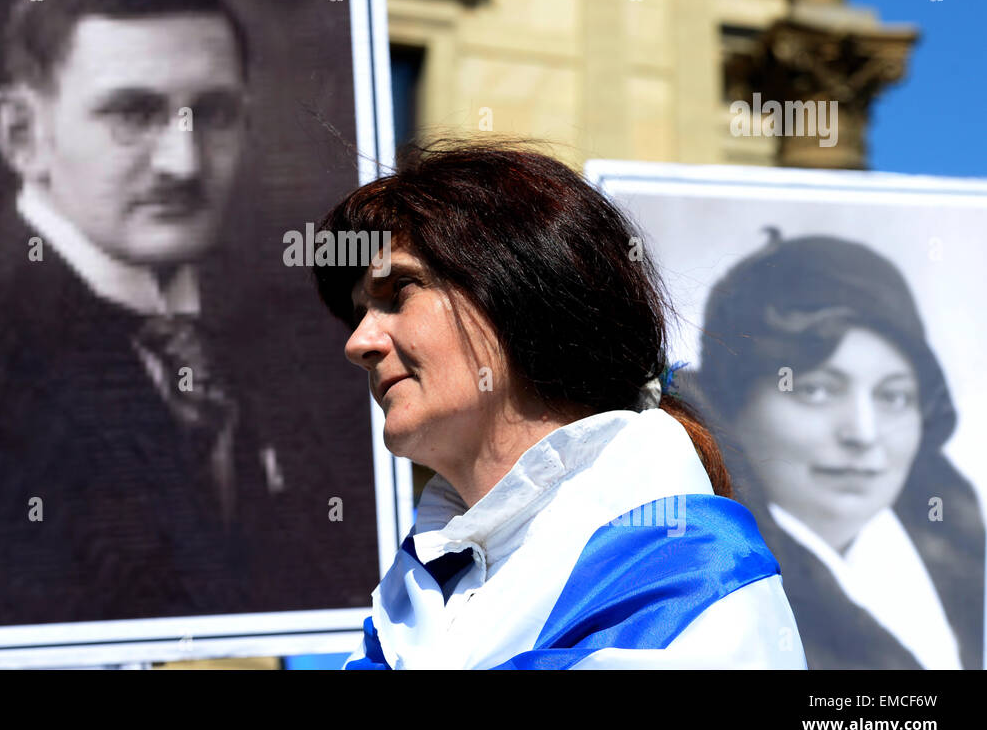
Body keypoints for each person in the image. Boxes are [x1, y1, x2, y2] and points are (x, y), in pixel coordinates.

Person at [0, 0, 310, 630]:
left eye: (212, 114)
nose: (182, 163)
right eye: (133, 115)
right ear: (20, 133)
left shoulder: (306, 344)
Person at [311, 139, 807, 669]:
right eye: (361, 311)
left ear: (523, 291)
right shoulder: (403, 613)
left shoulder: (691, 580)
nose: (358, 343)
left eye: (399, 290)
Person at [680, 228, 984, 669]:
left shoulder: (957, 547)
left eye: (894, 396)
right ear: (732, 403)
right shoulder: (694, 576)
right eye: (816, 390)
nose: (863, 433)